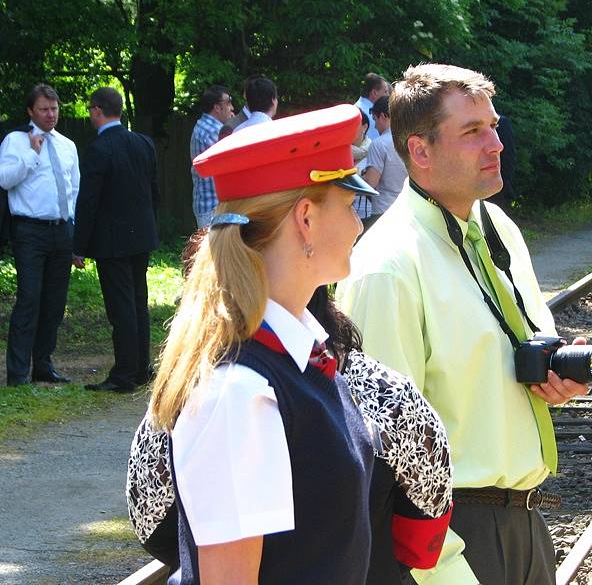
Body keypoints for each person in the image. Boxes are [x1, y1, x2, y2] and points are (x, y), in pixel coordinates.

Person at [337, 63, 590, 585]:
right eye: (472, 132)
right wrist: (444, 571)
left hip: (526, 525)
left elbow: (514, 353)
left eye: (493, 126)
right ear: (420, 151)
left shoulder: (496, 225)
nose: (495, 143)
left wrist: (554, 377)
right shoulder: (387, 267)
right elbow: (384, 458)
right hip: (451, 542)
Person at [149, 105, 385, 584]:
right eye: (347, 203)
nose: (359, 223)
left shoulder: (303, 358)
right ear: (306, 219)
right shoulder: (240, 393)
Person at [73, 87, 159, 392]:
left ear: (97, 110)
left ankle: (124, 374)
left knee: (121, 307)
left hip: (112, 240)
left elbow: (88, 201)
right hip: (141, 235)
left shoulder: (99, 149)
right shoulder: (143, 144)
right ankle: (141, 368)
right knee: (138, 303)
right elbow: (154, 192)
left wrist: (78, 245)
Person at [0, 84, 79, 386]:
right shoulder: (16, 141)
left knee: (55, 302)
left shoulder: (67, 145)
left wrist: (76, 234)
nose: (51, 114)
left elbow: (75, 190)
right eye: (44, 109)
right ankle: (18, 372)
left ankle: (43, 364)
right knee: (30, 299)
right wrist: (32, 155)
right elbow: (4, 180)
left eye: (55, 108)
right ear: (31, 111)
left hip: (62, 229)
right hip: (29, 230)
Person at [189, 85, 233, 228]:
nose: (232, 107)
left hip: (212, 206)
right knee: (215, 250)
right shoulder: (212, 131)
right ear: (217, 108)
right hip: (213, 207)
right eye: (228, 102)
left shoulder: (205, 126)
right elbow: (232, 160)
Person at [362, 95, 408, 228]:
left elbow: (370, 183)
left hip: (383, 210)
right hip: (407, 208)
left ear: (383, 116)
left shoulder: (379, 144)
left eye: (375, 120)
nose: (375, 126)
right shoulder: (412, 140)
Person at [355, 72, 390, 140]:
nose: (388, 95)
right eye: (385, 91)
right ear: (374, 93)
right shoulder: (372, 115)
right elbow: (377, 142)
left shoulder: (356, 108)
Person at [352, 109, 373, 221]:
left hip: (367, 212)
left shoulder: (373, 149)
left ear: (364, 127)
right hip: (344, 211)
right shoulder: (340, 152)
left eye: (354, 125)